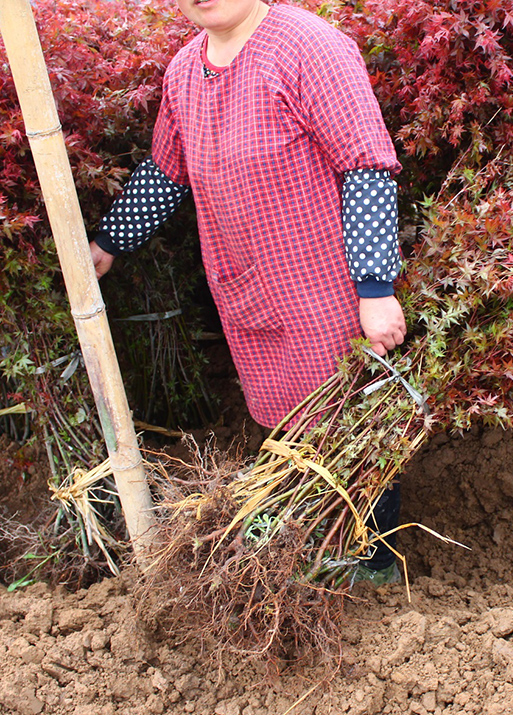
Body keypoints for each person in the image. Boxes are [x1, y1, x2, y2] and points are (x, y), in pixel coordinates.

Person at [90, 0, 405, 584]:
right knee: (286, 422)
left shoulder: (309, 47)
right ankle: (320, 543)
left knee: (341, 422)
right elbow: (166, 171)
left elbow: (366, 166)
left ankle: (374, 558)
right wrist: (109, 242)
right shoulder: (185, 69)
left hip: (322, 286)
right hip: (245, 285)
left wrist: (375, 285)